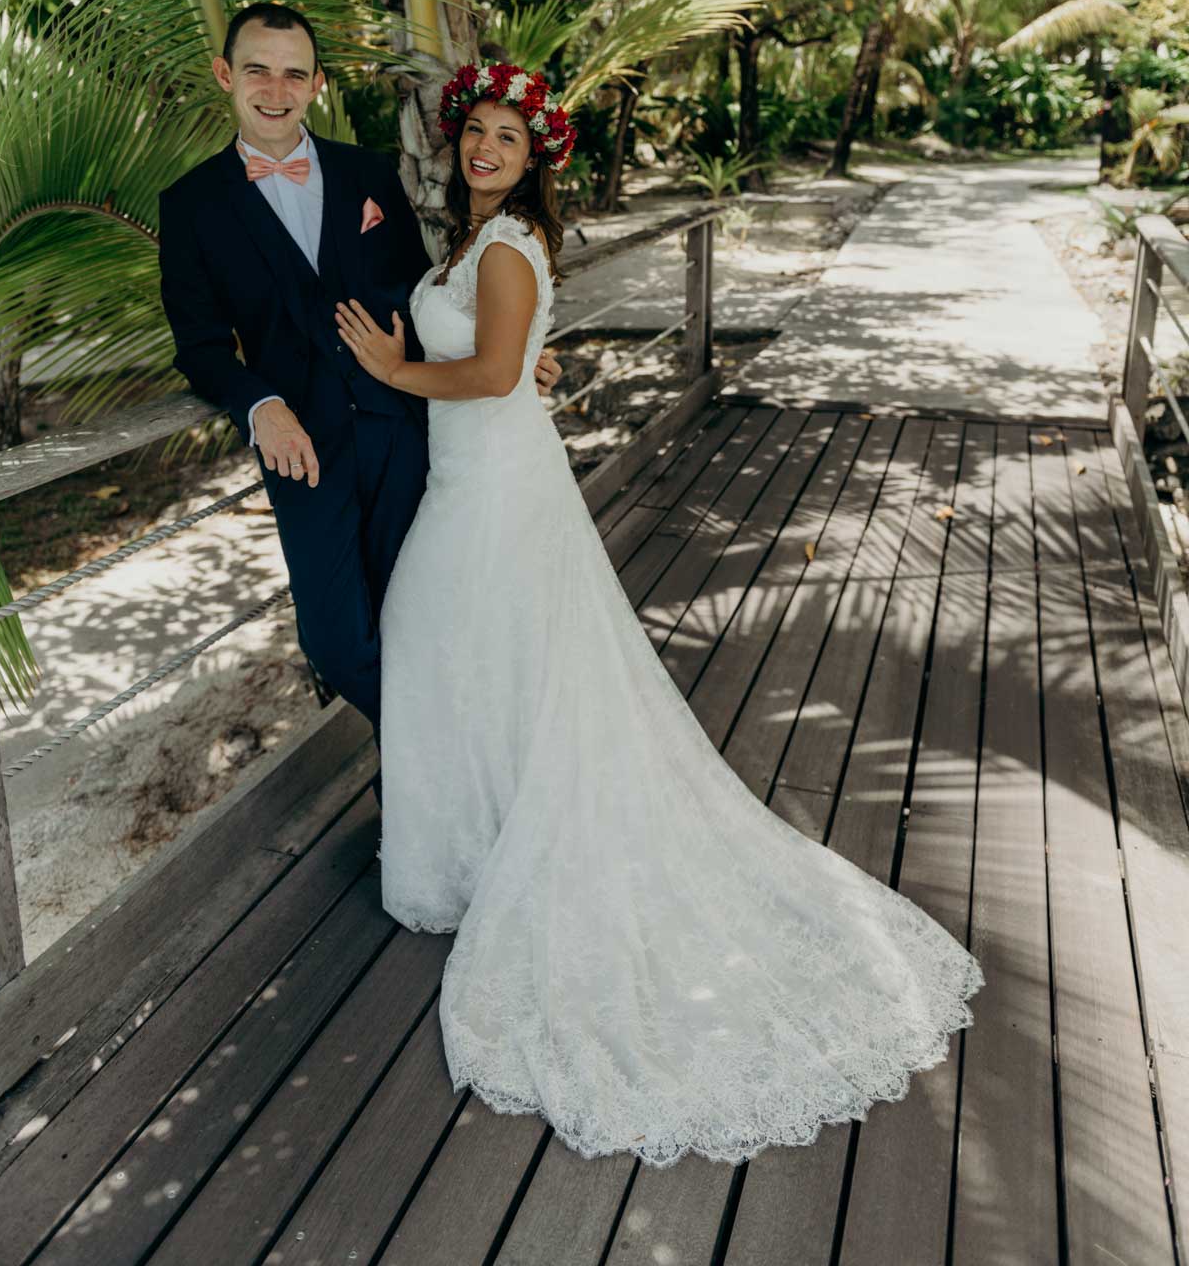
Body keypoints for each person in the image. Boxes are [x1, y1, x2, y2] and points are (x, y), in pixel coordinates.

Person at [332, 60, 986, 1169]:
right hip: (478, 482)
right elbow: (512, 366)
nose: (487, 147)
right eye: (475, 132)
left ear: (536, 155)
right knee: (468, 654)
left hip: (491, 486)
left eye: (507, 135)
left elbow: (495, 374)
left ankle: (496, 846)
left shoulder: (508, 248)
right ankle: (482, 842)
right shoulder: (470, 242)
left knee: (455, 643)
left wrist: (395, 370)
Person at [156, 3, 561, 796]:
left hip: (408, 435)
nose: (276, 88)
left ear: (317, 83)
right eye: (258, 70)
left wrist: (510, 357)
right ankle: (454, 758)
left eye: (294, 72)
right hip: (302, 450)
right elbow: (198, 346)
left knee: (423, 620)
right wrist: (258, 405)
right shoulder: (191, 204)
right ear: (225, 76)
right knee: (338, 642)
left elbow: (424, 292)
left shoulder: (369, 174)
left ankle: (431, 794)